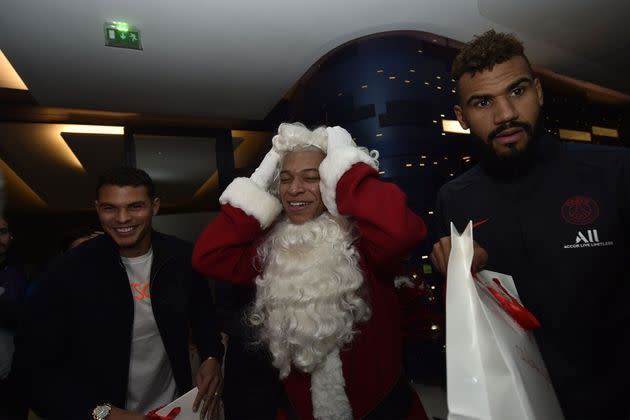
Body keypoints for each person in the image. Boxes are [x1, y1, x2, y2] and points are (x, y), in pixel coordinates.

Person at [430, 30, 630, 419]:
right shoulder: (454, 198)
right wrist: (461, 270)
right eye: (483, 102)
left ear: (539, 91)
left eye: (517, 91)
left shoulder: (616, 171)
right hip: (519, 404)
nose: (505, 114)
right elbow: (467, 322)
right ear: (462, 117)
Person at [193, 123, 428, 419]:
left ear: (331, 181)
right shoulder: (272, 248)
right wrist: (256, 183)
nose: (293, 189)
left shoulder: (365, 240)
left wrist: (345, 162)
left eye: (311, 177)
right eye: (285, 179)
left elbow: (402, 233)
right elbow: (209, 256)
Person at [13, 167, 224, 420]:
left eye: (135, 206)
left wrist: (212, 355)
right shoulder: (66, 272)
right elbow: (34, 369)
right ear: (97, 208)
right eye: (110, 208)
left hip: (170, 410)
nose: (122, 218)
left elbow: (203, 313)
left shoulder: (181, 257)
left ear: (154, 206)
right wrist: (106, 414)